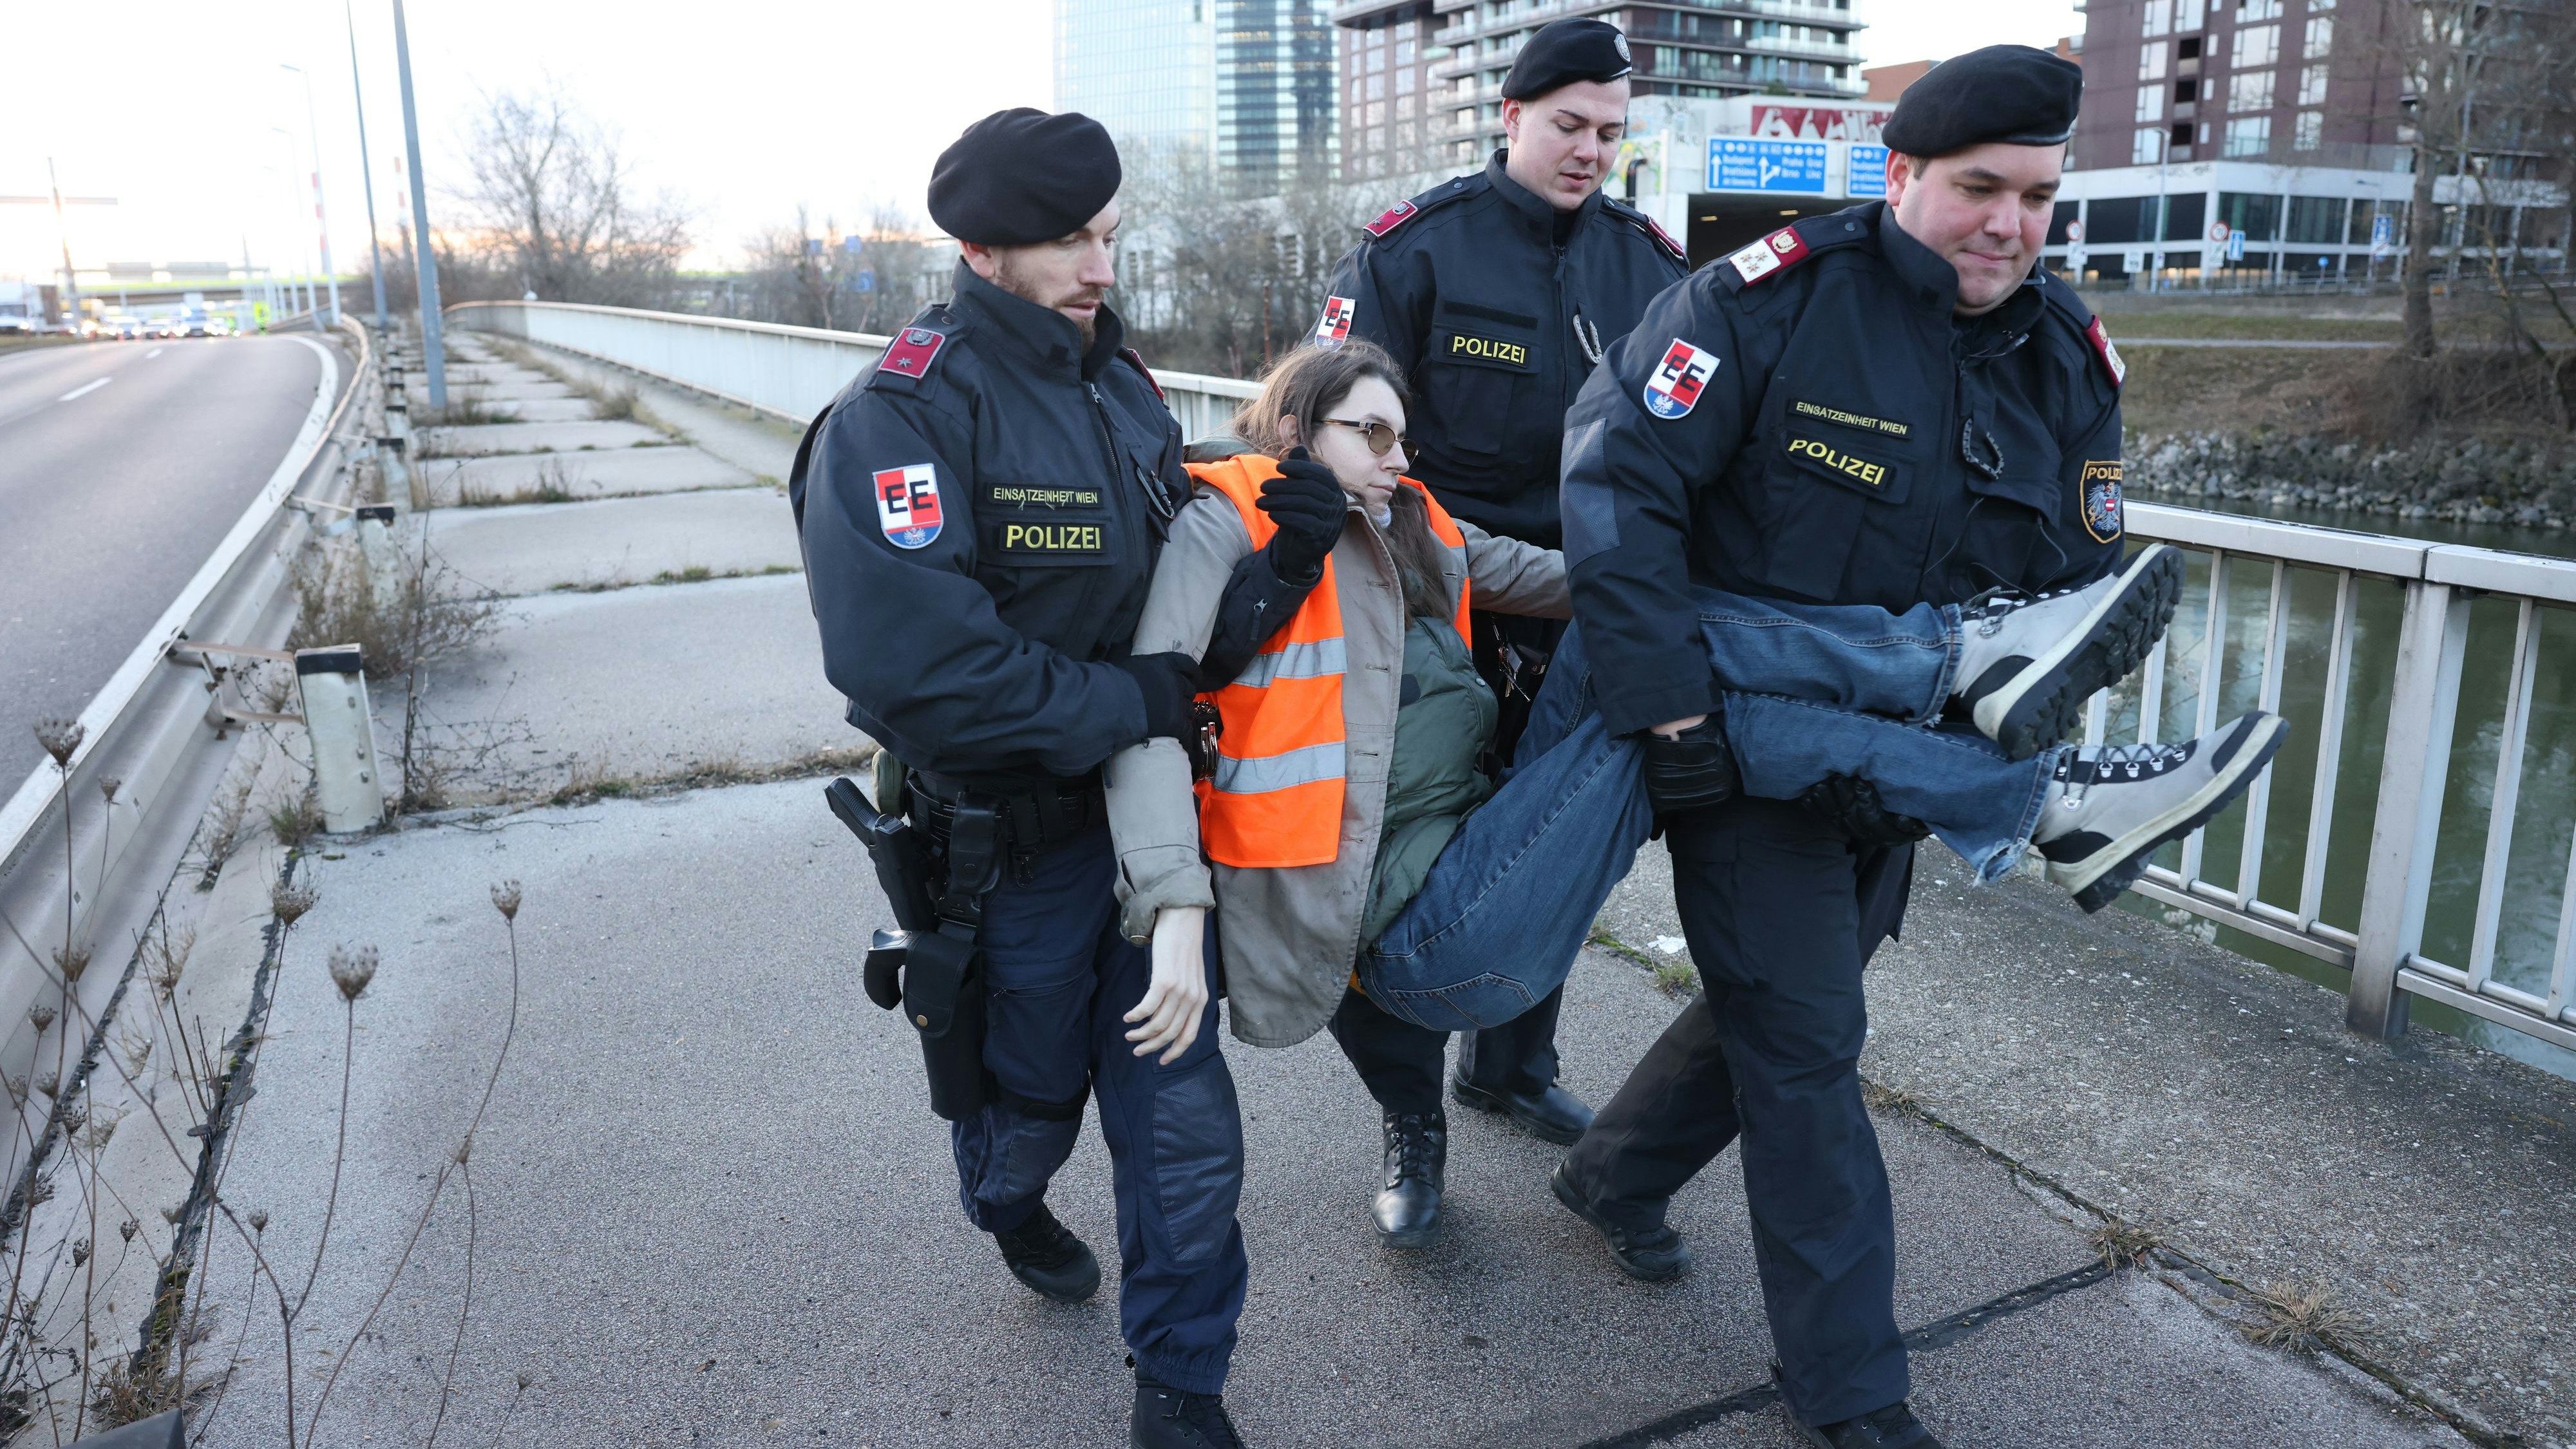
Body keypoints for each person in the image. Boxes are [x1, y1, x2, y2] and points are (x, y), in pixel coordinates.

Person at [1546, 46, 2273, 1449]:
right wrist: (1671, 717)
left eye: (2037, 198)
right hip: (1747, 751)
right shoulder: (1762, 302)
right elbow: (1616, 490)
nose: (2008, 224)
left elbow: (2073, 597)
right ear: (1899, 176)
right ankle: (1851, 1393)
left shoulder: (2065, 357)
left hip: (1904, 767)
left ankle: (1612, 1176)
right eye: (1978, 188)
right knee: (1808, 1044)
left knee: (1781, 1005)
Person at [789, 108, 1251, 1449]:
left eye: (1108, 235)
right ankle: (1007, 1205)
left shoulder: (1123, 385)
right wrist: (1127, 703)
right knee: (1023, 1118)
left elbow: (1168, 587)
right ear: (983, 249)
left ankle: (1182, 1386)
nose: (1100, 268)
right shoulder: (902, 415)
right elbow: (920, 673)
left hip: (1146, 834)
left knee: (1182, 1126)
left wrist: (1267, 562)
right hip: (1011, 858)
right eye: (1067, 243)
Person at [1303, 12, 1687, 1191]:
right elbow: (1326, 431)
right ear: (1511, 115)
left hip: (1582, 614)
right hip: (1434, 619)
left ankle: (1513, 1066)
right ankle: (1411, 1123)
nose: (1590, 151)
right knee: (1400, 876)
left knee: (1549, 851)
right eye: (1569, 125)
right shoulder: (1413, 252)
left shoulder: (1651, 267)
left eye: (1610, 133)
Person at [1104, 340, 1569, 1251]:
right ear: (1296, 430)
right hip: (1322, 831)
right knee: (1374, 979)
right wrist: (1170, 895)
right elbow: (1154, 692)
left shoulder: (1419, 518)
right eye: (1372, 434)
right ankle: (1415, 1122)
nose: (1397, 457)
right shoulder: (1230, 513)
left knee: (1622, 637)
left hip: (1449, 801)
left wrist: (1664, 578)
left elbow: (1526, 572)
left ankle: (1451, 1100)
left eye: (1403, 438)